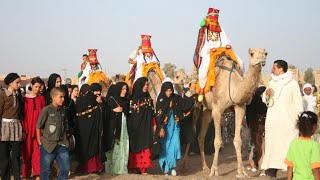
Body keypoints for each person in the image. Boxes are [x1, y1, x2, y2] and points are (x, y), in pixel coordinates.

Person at [261, 60, 303, 178]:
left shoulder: (292, 83)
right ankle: (272, 172)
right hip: (273, 122)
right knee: (272, 146)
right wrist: (267, 94)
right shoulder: (272, 82)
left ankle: (292, 173)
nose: (272, 70)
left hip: (288, 122)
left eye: (274, 67)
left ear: (281, 69)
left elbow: (298, 103)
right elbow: (265, 99)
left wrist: (299, 121)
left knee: (288, 147)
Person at [193, 8, 243, 102]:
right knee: (204, 68)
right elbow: (201, 45)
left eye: (216, 17)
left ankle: (241, 85)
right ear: (208, 18)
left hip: (221, 51)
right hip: (208, 52)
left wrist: (227, 45)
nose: (214, 19)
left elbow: (226, 40)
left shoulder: (220, 29)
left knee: (240, 62)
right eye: (213, 17)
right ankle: (202, 88)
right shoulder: (204, 30)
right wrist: (209, 49)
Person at [155, 82, 194, 176]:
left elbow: (185, 104)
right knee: (166, 147)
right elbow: (159, 116)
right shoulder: (160, 101)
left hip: (175, 127)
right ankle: (166, 168)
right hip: (165, 128)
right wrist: (161, 128)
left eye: (170, 90)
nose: (169, 92)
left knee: (175, 146)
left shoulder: (175, 98)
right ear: (164, 91)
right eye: (167, 91)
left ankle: (172, 167)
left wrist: (191, 97)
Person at [36, 87, 70, 180]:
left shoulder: (63, 111)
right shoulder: (46, 110)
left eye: (64, 97)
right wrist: (39, 142)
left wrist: (66, 139)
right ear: (53, 97)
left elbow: (65, 128)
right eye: (61, 97)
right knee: (45, 170)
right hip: (48, 145)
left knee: (65, 169)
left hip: (61, 144)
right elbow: (38, 126)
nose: (63, 99)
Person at [127, 77, 155, 175]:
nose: (146, 86)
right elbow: (129, 114)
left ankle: (143, 168)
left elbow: (152, 112)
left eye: (147, 84)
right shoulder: (131, 99)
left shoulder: (148, 98)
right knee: (134, 146)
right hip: (134, 127)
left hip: (146, 127)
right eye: (144, 84)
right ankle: (134, 167)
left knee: (145, 146)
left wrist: (154, 124)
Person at [74, 83, 104, 174]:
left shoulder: (97, 100)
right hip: (84, 128)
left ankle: (93, 167)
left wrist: (101, 103)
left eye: (99, 91)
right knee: (86, 145)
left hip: (92, 128)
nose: (98, 93)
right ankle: (86, 167)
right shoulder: (85, 100)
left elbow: (103, 113)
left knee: (92, 145)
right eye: (96, 91)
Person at [0, 73, 24, 180]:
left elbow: (21, 114)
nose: (19, 85)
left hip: (16, 127)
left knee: (16, 156)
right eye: (17, 82)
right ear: (10, 83)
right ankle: (5, 177)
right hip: (4, 127)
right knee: (4, 156)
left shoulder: (19, 96)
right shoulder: (3, 95)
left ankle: (17, 177)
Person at [21, 77, 46, 180]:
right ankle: (25, 175)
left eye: (39, 87)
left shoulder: (41, 98)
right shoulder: (24, 99)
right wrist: (23, 129)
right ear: (31, 85)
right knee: (26, 153)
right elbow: (22, 115)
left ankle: (37, 175)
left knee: (37, 153)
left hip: (38, 130)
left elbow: (44, 114)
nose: (37, 89)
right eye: (36, 86)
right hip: (27, 129)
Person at [285, 111, 320, 180]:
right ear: (314, 127)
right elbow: (315, 169)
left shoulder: (294, 143)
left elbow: (289, 167)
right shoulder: (314, 145)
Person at [105, 82, 130, 174]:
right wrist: (113, 111)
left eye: (126, 89)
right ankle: (113, 169)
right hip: (115, 129)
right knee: (114, 148)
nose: (125, 91)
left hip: (124, 128)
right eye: (123, 89)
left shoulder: (125, 101)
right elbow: (106, 114)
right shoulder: (111, 100)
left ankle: (121, 168)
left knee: (123, 147)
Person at [246, 86, 267, 175]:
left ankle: (254, 163)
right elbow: (250, 114)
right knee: (258, 146)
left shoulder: (260, 101)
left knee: (259, 146)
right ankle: (260, 167)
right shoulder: (255, 101)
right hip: (256, 126)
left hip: (259, 125)